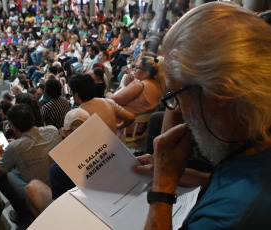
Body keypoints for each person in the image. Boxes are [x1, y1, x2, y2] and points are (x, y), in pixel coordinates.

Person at [134, 2, 271, 229]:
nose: (177, 109)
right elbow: (228, 178)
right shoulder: (254, 143)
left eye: (177, 94)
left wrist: (162, 188)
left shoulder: (229, 217)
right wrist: (174, 172)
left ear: (219, 93)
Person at [0, 104, 62, 224]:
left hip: (38, 194)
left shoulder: (14, 148)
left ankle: (22, 214)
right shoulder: (53, 130)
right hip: (59, 185)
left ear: (13, 127)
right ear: (33, 118)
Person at [25, 108, 91, 217]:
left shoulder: (58, 168)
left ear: (64, 132)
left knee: (32, 187)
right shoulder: (111, 148)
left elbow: (60, 205)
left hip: (76, 215)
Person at [69, 74, 135, 134]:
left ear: (76, 95)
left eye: (71, 92)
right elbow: (131, 117)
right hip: (113, 143)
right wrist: (118, 126)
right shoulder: (109, 102)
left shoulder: (77, 115)